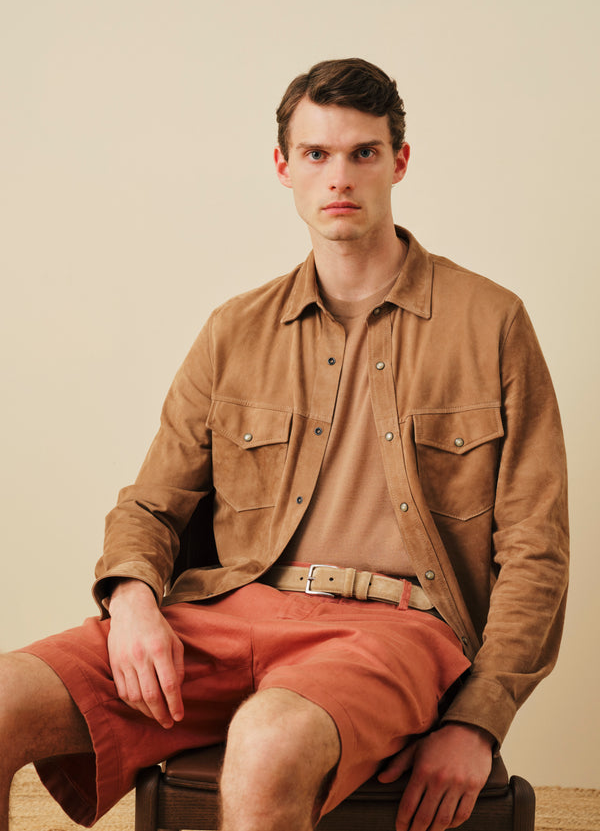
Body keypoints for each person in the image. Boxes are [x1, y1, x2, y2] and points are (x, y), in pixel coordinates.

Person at [0, 58, 568, 831]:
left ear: (399, 162)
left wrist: (479, 718)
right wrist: (131, 598)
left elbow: (537, 547)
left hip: (398, 629)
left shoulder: (492, 321)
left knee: (266, 744)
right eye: (316, 154)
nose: (340, 176)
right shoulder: (235, 329)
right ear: (284, 167)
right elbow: (151, 503)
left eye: (363, 152)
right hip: (232, 611)